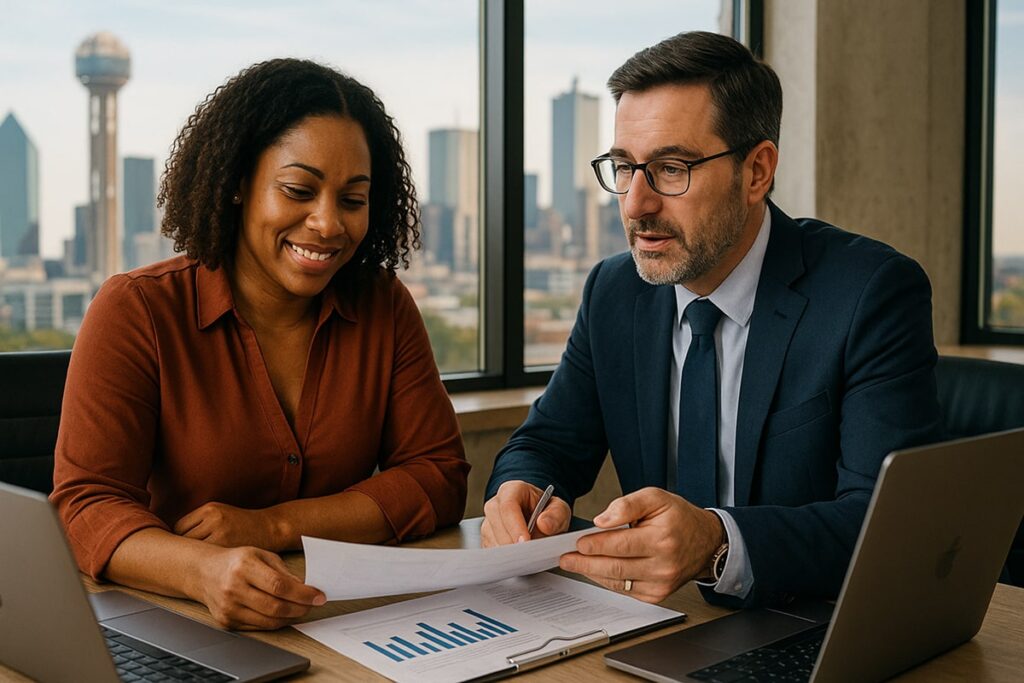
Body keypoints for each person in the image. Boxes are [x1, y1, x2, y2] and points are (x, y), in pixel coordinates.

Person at [482, 31, 943, 609]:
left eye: (671, 169)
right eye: (624, 168)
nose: (635, 204)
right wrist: (519, 490)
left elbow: (884, 527)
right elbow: (546, 443)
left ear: (757, 171)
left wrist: (718, 543)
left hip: (809, 625)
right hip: (661, 624)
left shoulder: (869, 293)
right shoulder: (613, 292)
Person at [50, 59, 470, 630]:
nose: (328, 224)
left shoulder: (384, 305)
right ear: (236, 185)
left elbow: (437, 475)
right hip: (175, 622)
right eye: (299, 190)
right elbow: (86, 507)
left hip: (338, 621)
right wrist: (200, 570)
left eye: (353, 200)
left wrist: (272, 526)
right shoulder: (136, 309)